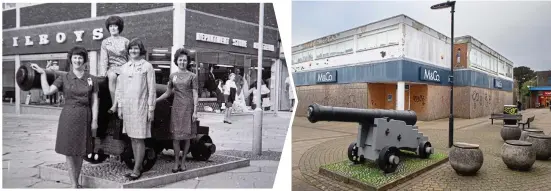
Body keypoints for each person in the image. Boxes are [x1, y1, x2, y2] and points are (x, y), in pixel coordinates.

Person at [30, 47, 99, 188]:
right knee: (69, 151)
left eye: (80, 57)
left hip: (84, 116)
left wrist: (95, 120)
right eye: (75, 57)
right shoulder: (64, 77)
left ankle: (76, 181)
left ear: (84, 60)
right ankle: (74, 184)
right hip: (68, 116)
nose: (77, 60)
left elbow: (95, 100)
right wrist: (43, 73)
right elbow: (47, 91)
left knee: (81, 151)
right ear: (71, 59)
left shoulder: (91, 79)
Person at [116, 39, 156, 180]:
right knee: (132, 137)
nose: (134, 51)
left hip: (141, 106)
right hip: (128, 107)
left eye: (136, 48)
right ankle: (136, 166)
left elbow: (152, 89)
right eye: (131, 48)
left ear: (141, 50)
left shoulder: (147, 66)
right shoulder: (124, 67)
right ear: (128, 50)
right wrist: (120, 106)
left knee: (139, 138)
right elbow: (119, 89)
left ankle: (137, 169)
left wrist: (151, 109)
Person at [156, 48, 198, 173]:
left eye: (185, 60)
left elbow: (195, 94)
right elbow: (168, 92)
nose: (182, 62)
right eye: (180, 60)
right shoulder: (172, 76)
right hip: (176, 108)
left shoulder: (192, 76)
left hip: (188, 108)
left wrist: (195, 111)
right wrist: (156, 100)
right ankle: (176, 162)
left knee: (187, 137)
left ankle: (183, 161)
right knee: (176, 137)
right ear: (176, 61)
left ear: (188, 62)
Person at [100, 16, 129, 113]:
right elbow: (104, 58)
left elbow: (129, 58)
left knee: (120, 79)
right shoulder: (105, 42)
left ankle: (116, 105)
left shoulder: (126, 41)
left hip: (124, 67)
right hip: (112, 67)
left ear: (119, 27)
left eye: (115, 26)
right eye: (110, 26)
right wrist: (103, 72)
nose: (112, 28)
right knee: (112, 77)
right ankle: (114, 104)